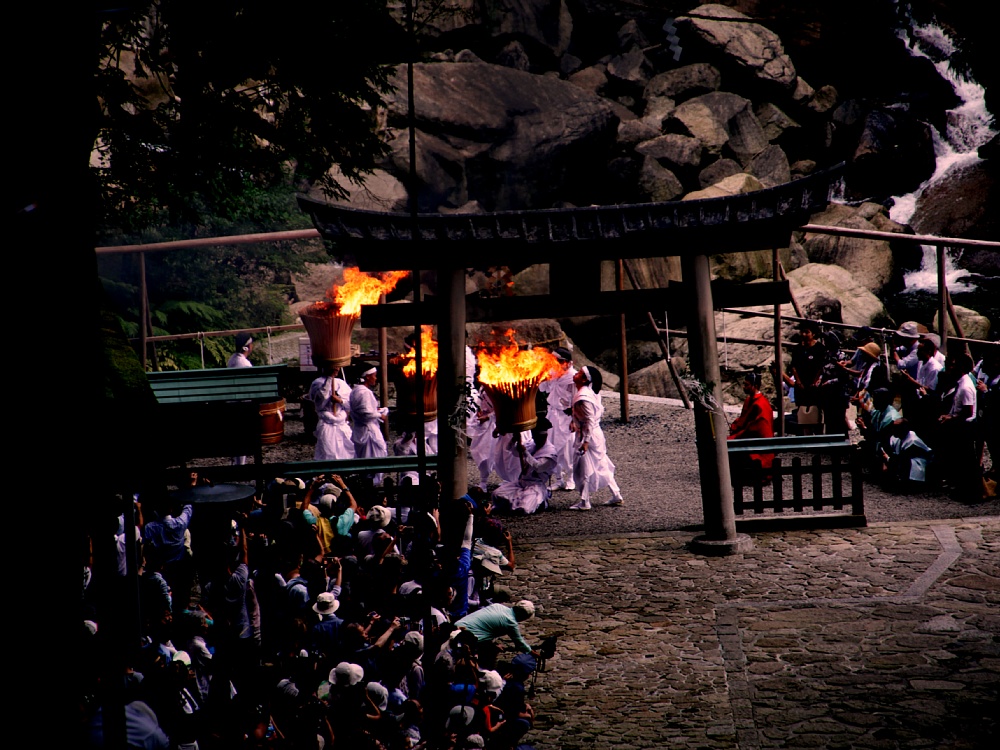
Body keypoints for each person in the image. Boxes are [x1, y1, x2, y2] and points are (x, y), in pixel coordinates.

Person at [568, 366, 624, 509]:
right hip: (594, 434)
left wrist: (585, 441)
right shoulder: (589, 392)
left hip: (589, 435)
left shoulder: (584, 397)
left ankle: (585, 501)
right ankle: (616, 495)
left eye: (579, 373)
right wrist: (574, 422)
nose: (576, 373)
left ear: (584, 379)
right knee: (602, 464)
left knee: (583, 468)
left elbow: (589, 420)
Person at [492, 416, 557, 515]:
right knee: (496, 495)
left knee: (524, 508)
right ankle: (518, 502)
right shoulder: (533, 444)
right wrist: (514, 440)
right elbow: (515, 453)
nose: (536, 440)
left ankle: (541, 502)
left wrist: (525, 452)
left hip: (535, 485)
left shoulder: (550, 452)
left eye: (539, 438)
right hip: (521, 482)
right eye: (535, 437)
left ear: (545, 436)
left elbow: (538, 467)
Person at [538, 346, 577, 491]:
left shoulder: (573, 377)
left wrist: (574, 420)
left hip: (566, 417)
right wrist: (544, 376)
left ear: (567, 362)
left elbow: (576, 400)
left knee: (567, 450)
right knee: (552, 448)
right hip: (552, 415)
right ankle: (558, 478)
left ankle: (571, 478)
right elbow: (543, 388)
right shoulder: (553, 372)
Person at [727, 372, 774, 476]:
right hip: (749, 436)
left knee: (728, 444)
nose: (744, 387)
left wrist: (736, 434)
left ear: (755, 386)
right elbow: (743, 420)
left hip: (757, 442)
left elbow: (757, 428)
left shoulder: (760, 404)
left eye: (747, 385)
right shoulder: (750, 400)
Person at [349, 366, 390, 485]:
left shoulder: (355, 390)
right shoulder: (364, 393)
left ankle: (368, 483)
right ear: (367, 377)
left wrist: (376, 410)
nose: (376, 378)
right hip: (368, 432)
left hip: (360, 430)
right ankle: (371, 485)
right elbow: (366, 414)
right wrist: (380, 415)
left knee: (365, 459)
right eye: (374, 376)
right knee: (372, 460)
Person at [308, 363, 354, 461]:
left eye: (338, 367)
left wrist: (340, 400)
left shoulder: (341, 383)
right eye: (334, 367)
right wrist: (329, 379)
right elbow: (319, 404)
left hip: (341, 423)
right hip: (327, 423)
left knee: (347, 450)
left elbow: (350, 404)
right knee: (329, 450)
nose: (337, 369)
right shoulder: (318, 383)